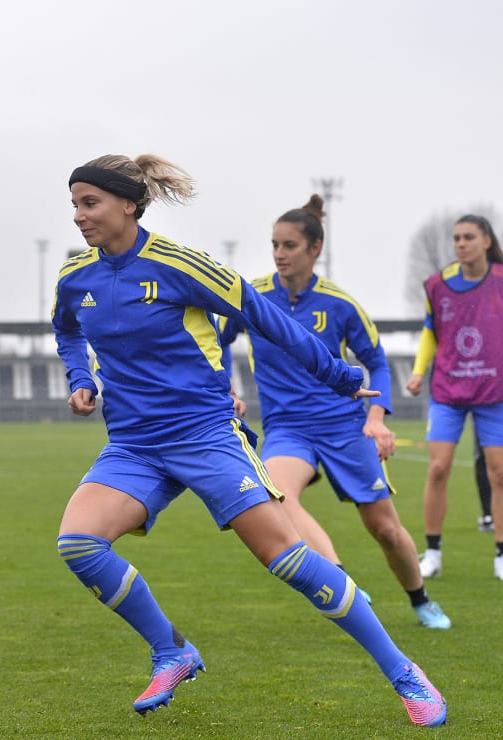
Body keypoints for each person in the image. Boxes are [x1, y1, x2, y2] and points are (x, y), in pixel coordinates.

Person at [52, 154, 446, 727]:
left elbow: (267, 318)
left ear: (129, 205)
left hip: (205, 436)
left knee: (287, 560)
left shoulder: (180, 264)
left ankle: (404, 671)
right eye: (74, 206)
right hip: (134, 445)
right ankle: (172, 651)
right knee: (80, 545)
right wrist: (81, 378)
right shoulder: (74, 277)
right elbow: (66, 331)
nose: (79, 217)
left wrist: (336, 374)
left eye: (90, 204)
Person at [219, 195, 449, 630]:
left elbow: (377, 361)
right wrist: (224, 386)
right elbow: (215, 340)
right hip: (287, 428)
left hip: (345, 427)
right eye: (274, 245)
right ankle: (342, 582)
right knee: (276, 496)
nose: (279, 255)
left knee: (384, 528)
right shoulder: (254, 297)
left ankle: (420, 600)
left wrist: (375, 417)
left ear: (315, 248)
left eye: (289, 245)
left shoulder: (340, 304)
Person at [406, 214, 503, 581]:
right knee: (438, 468)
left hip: (495, 391)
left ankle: (501, 555)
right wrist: (418, 373)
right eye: (457, 238)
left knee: (499, 473)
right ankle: (431, 552)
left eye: (468, 237)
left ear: (487, 242)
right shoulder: (437, 285)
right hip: (448, 390)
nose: (461, 244)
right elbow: (431, 332)